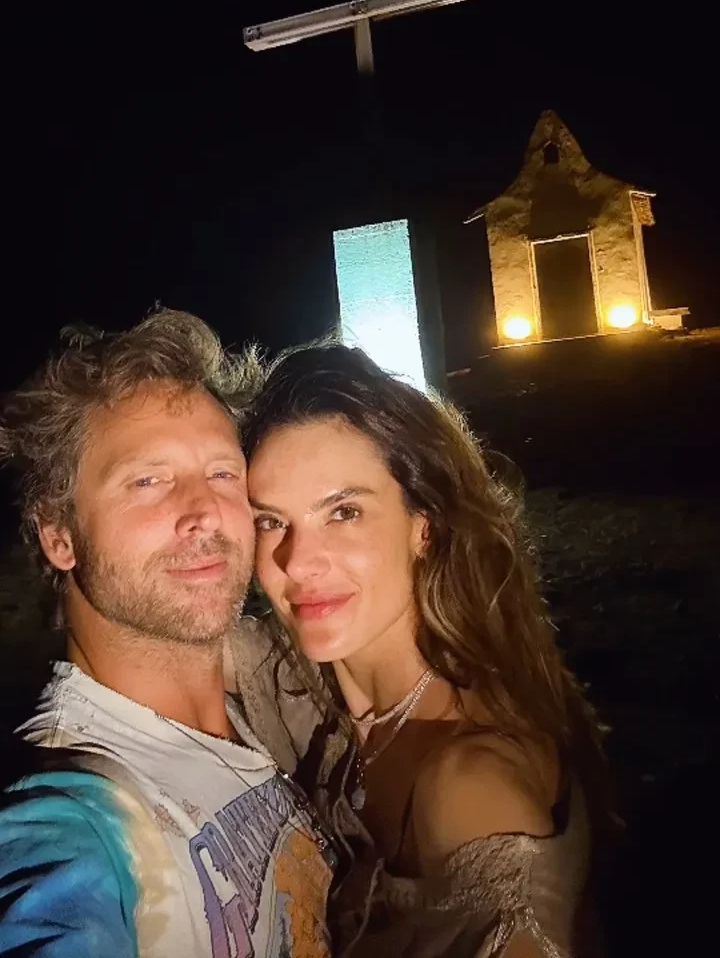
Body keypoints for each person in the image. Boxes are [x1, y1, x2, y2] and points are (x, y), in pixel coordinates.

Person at [227, 342, 610, 957]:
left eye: (343, 512)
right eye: (271, 521)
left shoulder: (470, 783)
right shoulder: (302, 676)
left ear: (423, 525)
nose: (297, 562)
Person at [0, 311, 336, 958]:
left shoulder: (276, 714)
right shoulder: (82, 818)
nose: (204, 511)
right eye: (147, 481)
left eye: (222, 473)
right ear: (60, 536)